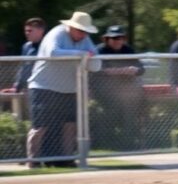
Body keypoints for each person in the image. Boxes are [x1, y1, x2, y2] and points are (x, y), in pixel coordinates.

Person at [26, 11, 101, 167]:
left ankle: (67, 159)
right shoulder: (56, 34)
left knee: (70, 125)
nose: (83, 34)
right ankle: (32, 161)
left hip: (70, 89)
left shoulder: (85, 39)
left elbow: (96, 65)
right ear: (71, 27)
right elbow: (53, 53)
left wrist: (88, 57)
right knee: (40, 127)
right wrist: (83, 54)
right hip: (44, 87)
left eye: (86, 31)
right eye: (80, 30)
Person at [94, 25, 146, 150]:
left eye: (120, 38)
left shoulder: (128, 49)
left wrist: (135, 70)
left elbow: (141, 68)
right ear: (107, 39)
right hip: (104, 90)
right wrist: (118, 71)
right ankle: (107, 142)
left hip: (125, 90)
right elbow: (96, 71)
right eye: (114, 38)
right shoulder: (100, 50)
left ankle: (129, 142)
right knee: (113, 109)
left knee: (133, 107)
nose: (118, 41)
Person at [2, 18, 46, 96]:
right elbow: (23, 68)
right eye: (26, 31)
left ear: (40, 31)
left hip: (44, 87)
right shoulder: (26, 47)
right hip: (28, 87)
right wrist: (16, 87)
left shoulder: (47, 46)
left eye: (30, 31)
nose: (27, 33)